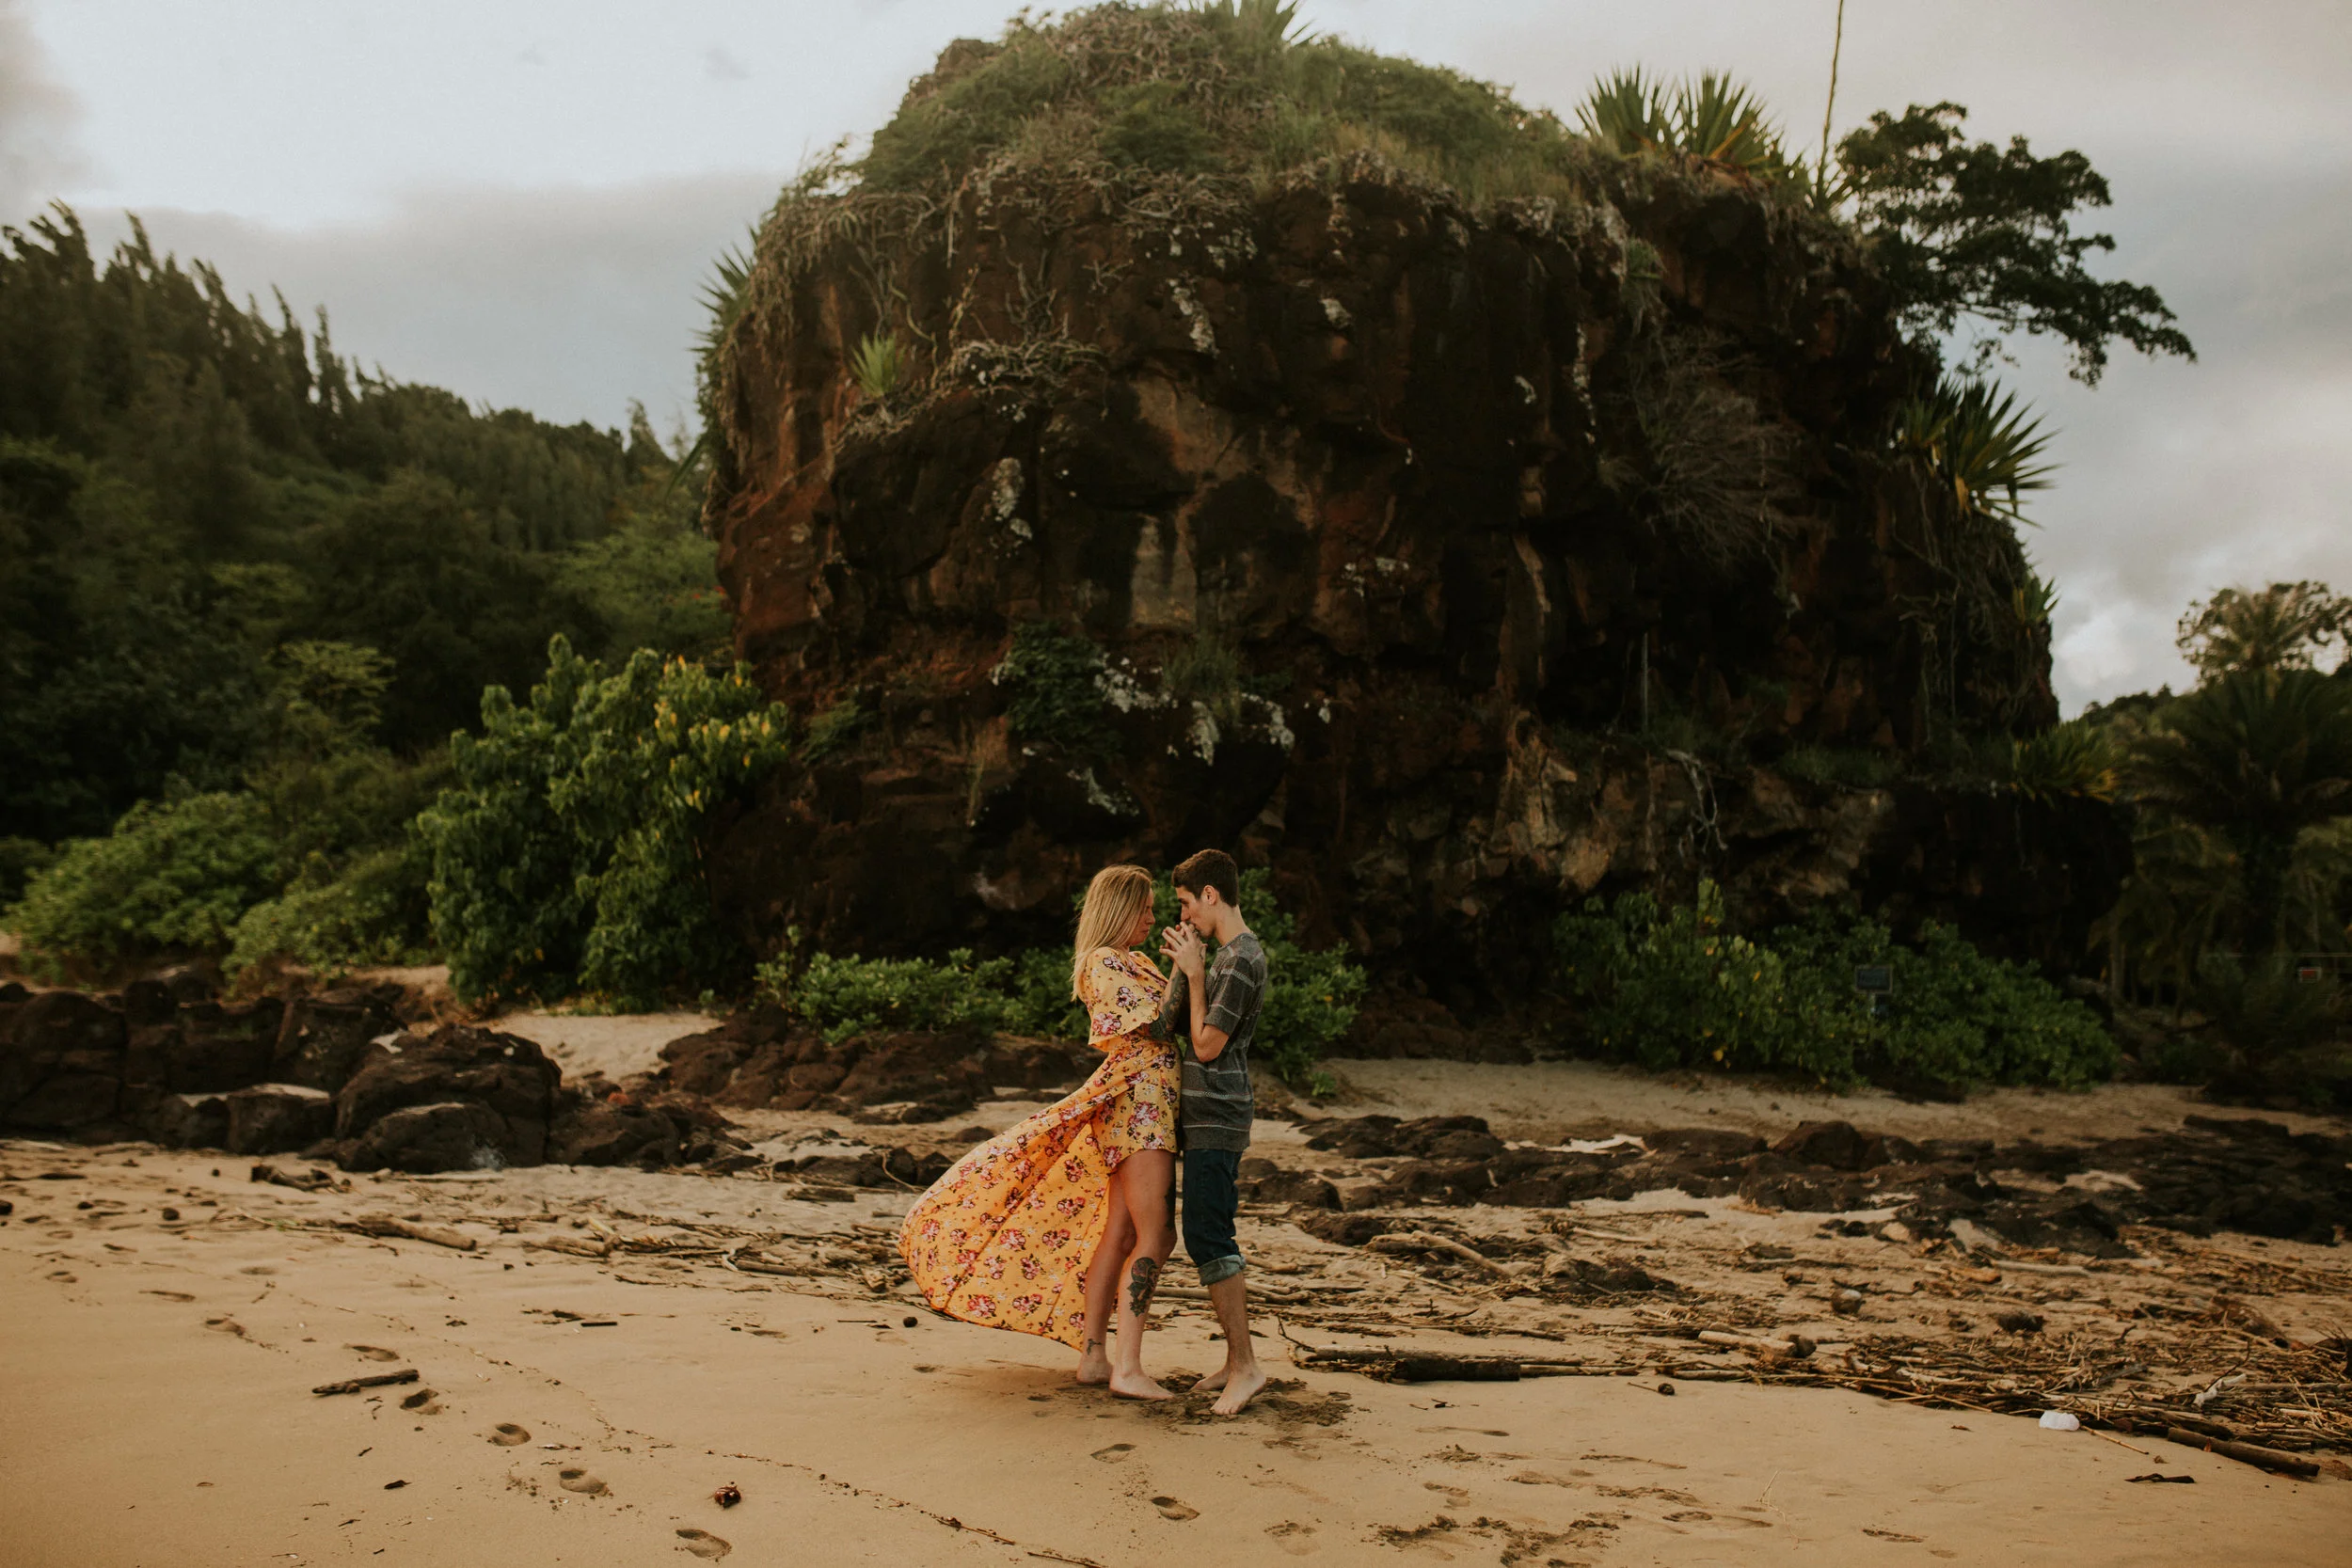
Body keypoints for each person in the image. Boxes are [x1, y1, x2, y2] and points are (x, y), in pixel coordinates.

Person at [898, 864, 1183, 1399]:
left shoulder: (1136, 961)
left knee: (1121, 1233)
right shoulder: (1102, 962)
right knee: (1157, 1234)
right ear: (1119, 909)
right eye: (1143, 907)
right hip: (1139, 1108)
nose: (1151, 916)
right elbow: (1161, 1025)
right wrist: (1189, 968)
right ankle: (1128, 1367)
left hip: (1150, 1105)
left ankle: (1096, 1357)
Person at [1155, 847, 1270, 1417]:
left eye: (1185, 903)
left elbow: (1205, 1045)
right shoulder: (1224, 956)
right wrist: (1186, 966)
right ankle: (1233, 1361)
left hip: (1220, 1112)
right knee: (1206, 1230)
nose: (1183, 916)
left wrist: (1196, 973)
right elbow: (1164, 1024)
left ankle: (1246, 1366)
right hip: (1206, 1113)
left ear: (1211, 895)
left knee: (1208, 1234)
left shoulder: (1240, 960)